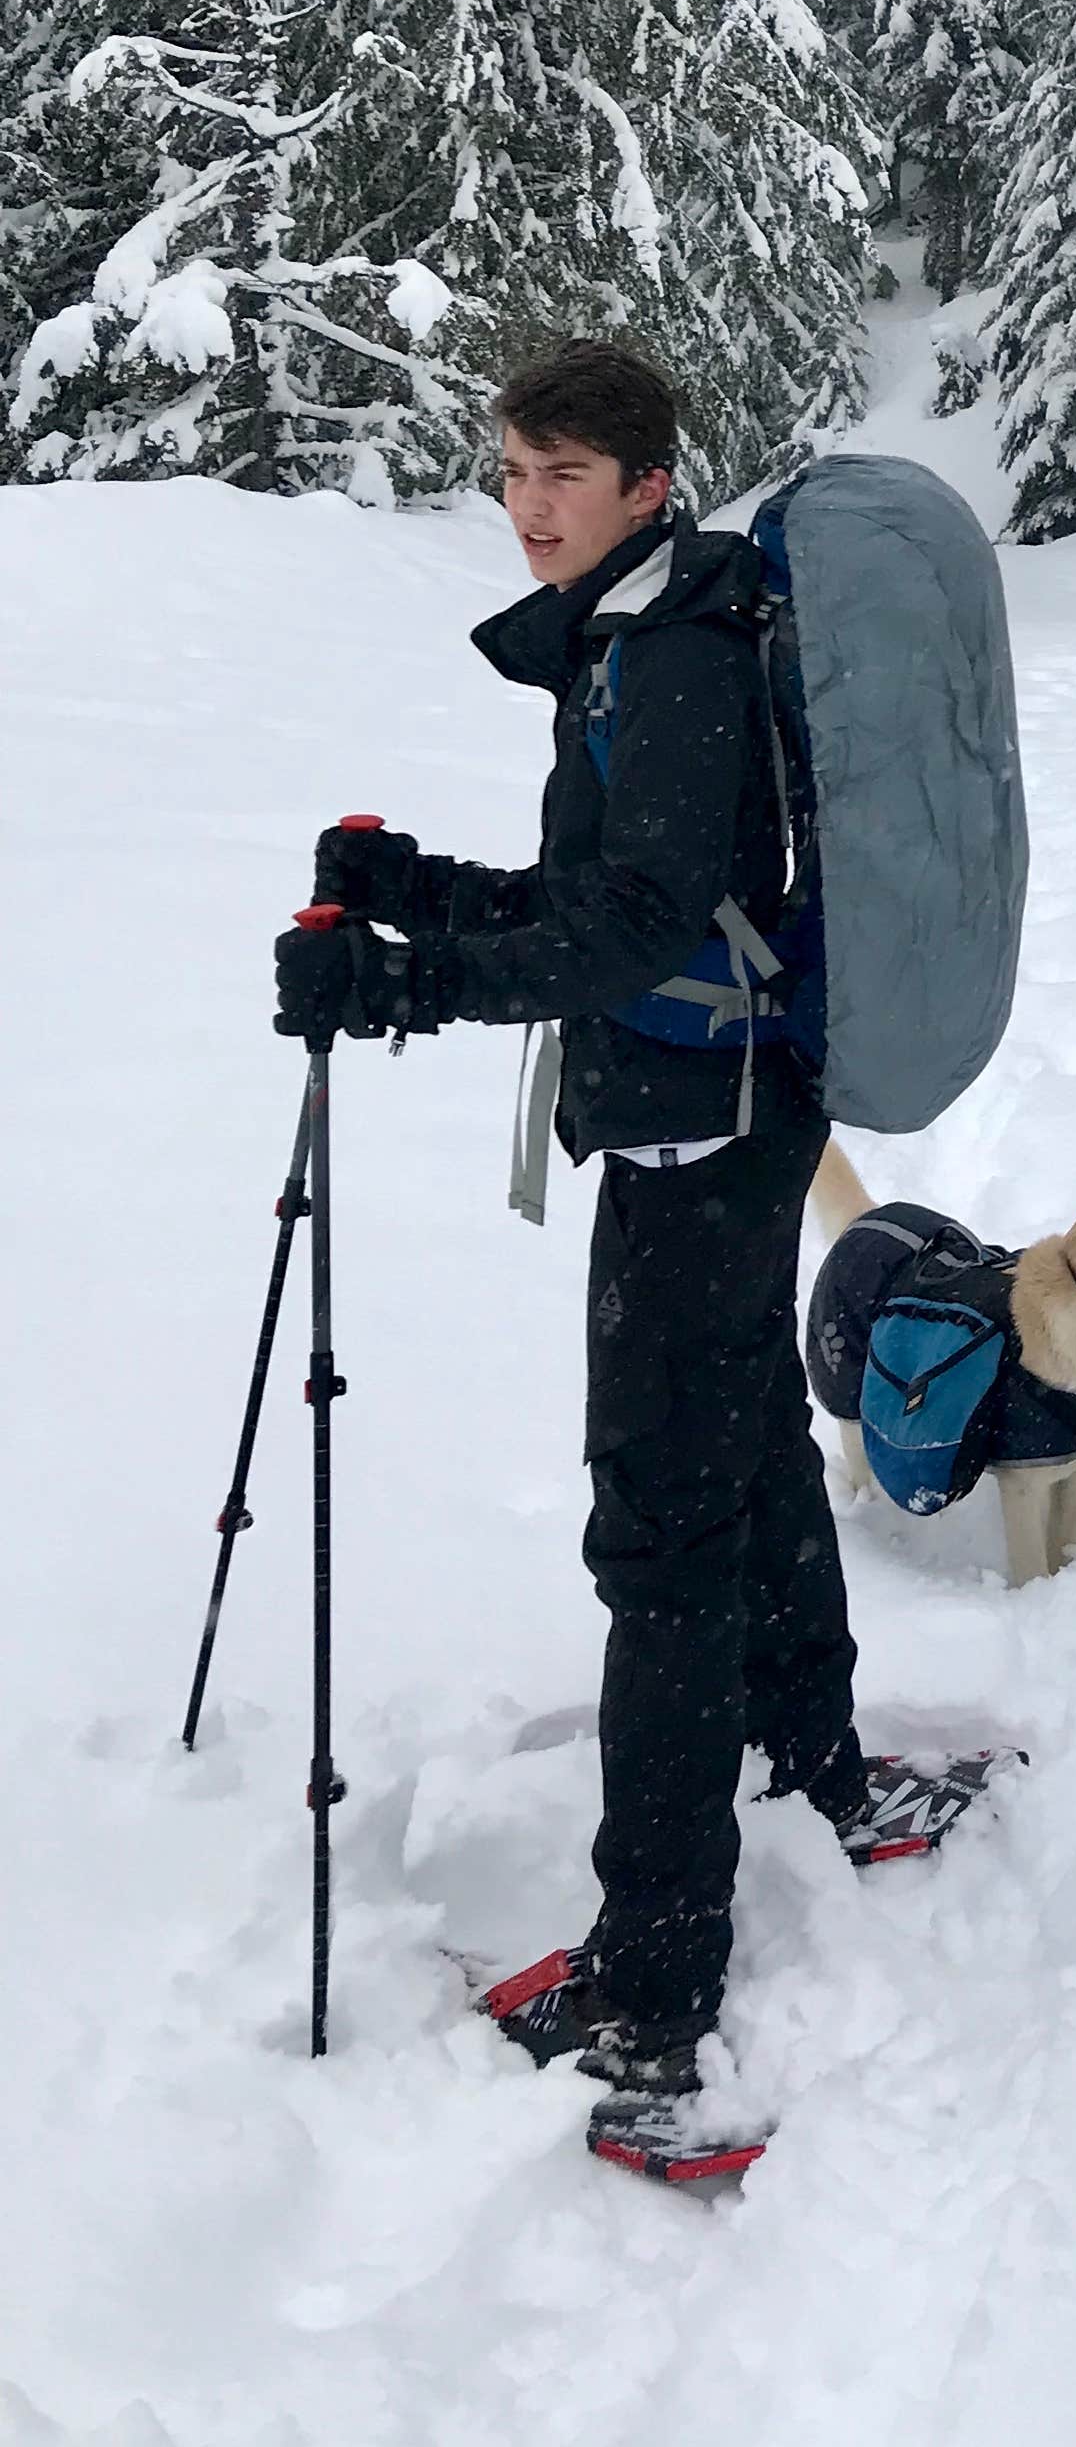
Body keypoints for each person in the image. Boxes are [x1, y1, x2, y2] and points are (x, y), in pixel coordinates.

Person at [273, 336, 982, 2142]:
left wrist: (399, 988)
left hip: (702, 1129)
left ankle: (655, 1998)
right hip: (738, 1113)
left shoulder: (665, 653)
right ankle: (823, 1765)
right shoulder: (663, 618)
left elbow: (639, 924)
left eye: (562, 476)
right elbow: (626, 900)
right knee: (741, 1446)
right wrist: (416, 889)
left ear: (650, 480)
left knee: (656, 1530)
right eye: (511, 473)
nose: (528, 509)